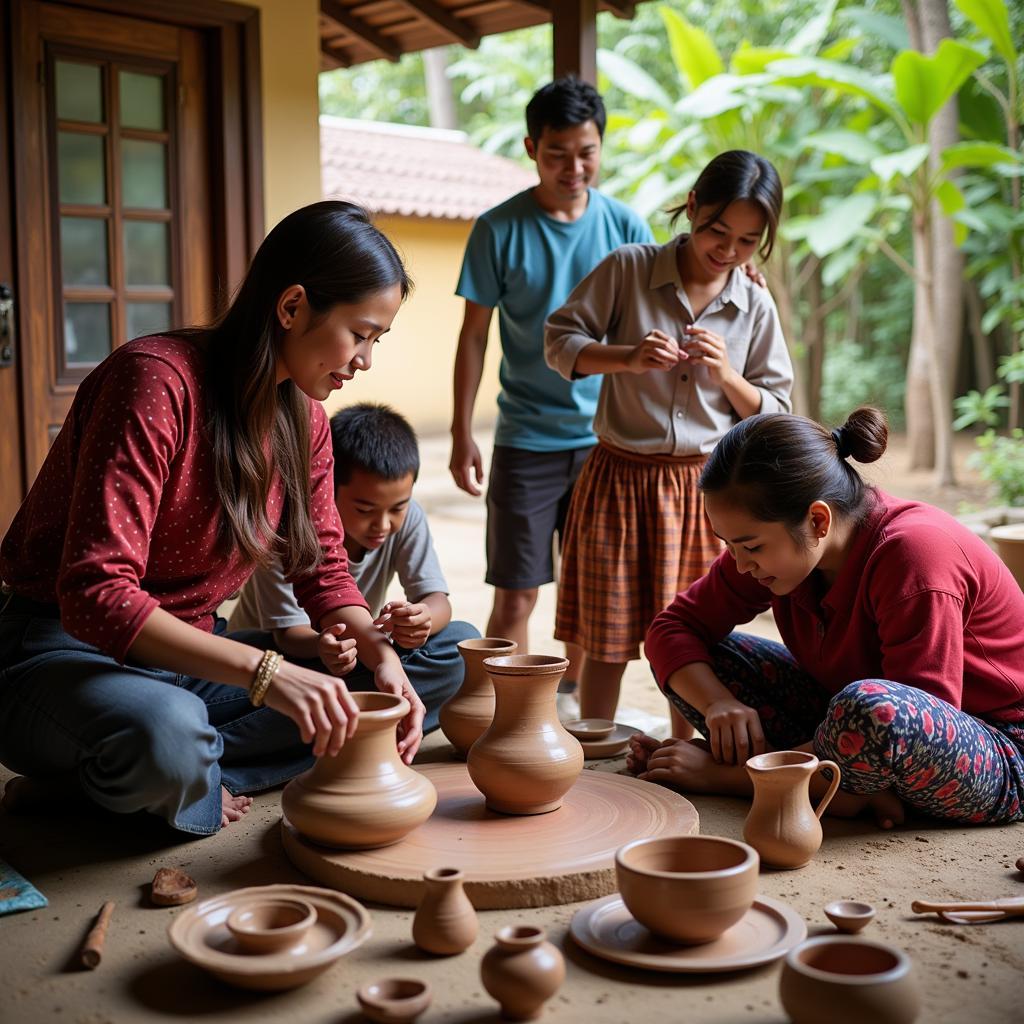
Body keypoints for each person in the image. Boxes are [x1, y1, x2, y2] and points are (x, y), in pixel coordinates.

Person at [0, 201, 425, 836]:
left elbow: (322, 568)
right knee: (166, 731)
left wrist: (374, 647)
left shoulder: (303, 418)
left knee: (417, 669)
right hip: (61, 655)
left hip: (190, 664)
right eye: (360, 333)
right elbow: (95, 596)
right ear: (291, 307)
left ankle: (169, 781)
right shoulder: (154, 383)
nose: (365, 360)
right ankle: (164, 771)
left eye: (376, 341)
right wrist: (267, 673)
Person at [631, 407, 1024, 827]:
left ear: (818, 519)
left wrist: (719, 773)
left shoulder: (914, 554)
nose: (740, 563)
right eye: (729, 545)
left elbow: (917, 719)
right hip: (849, 726)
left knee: (872, 709)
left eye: (751, 547)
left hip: (997, 750)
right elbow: (672, 628)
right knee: (704, 658)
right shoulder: (771, 550)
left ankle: (793, 782)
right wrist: (718, 704)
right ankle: (849, 788)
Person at [545, 150, 793, 724]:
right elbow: (559, 342)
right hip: (618, 475)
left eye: (747, 242)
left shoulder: (754, 303)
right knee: (606, 636)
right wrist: (626, 358)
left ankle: (683, 754)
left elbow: (778, 407)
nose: (727, 251)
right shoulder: (628, 268)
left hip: (704, 491)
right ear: (691, 207)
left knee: (692, 637)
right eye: (715, 230)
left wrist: (728, 376)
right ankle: (596, 745)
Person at [450, 76, 653, 682]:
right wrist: (462, 432)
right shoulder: (497, 228)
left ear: (601, 148)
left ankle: (561, 710)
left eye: (586, 152)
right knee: (517, 594)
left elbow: (673, 298)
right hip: (526, 439)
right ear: (531, 147)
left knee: (590, 600)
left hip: (610, 441)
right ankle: (490, 711)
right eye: (557, 153)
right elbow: (473, 337)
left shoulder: (626, 226)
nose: (574, 167)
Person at [229, 402, 480, 732]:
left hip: (354, 653)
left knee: (461, 642)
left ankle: (348, 731)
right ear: (326, 492)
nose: (383, 524)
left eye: (397, 507)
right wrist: (322, 645)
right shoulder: (286, 531)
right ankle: (359, 731)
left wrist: (422, 619)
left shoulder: (408, 520)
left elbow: (437, 600)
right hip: (273, 661)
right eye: (364, 510)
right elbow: (288, 636)